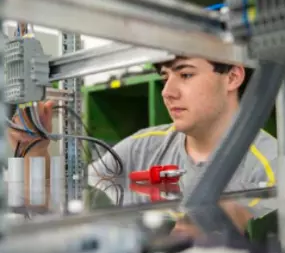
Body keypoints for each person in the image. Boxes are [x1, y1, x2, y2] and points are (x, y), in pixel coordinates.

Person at [8, 56, 277, 233]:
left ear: (232, 77)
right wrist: (36, 152)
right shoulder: (143, 147)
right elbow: (66, 204)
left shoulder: (270, 163)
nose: (167, 91)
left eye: (185, 75)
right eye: (164, 77)